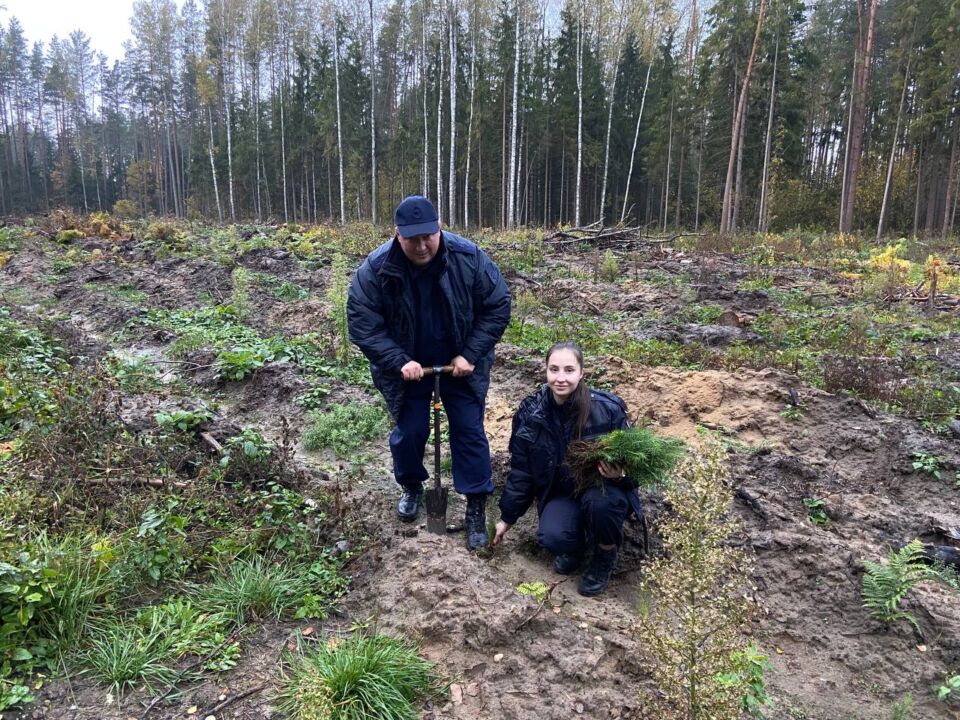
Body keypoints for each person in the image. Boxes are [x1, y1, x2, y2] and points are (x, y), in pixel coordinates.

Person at [347, 195, 511, 550]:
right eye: (412, 239)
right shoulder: (375, 270)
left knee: (469, 431)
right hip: (408, 368)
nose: (422, 246)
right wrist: (397, 360)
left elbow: (498, 305)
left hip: (461, 365)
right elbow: (362, 324)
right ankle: (411, 485)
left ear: (439, 228)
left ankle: (475, 504)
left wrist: (469, 354)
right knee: (410, 432)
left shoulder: (468, 258)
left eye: (428, 236)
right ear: (397, 234)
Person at [492, 341, 642, 596]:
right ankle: (576, 546)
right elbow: (522, 471)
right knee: (552, 537)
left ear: (582, 373)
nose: (561, 378)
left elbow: (639, 464)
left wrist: (622, 474)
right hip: (562, 492)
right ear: (546, 371)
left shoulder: (607, 409)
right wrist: (507, 517)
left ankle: (604, 554)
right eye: (554, 369)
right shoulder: (531, 413)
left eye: (569, 370)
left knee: (601, 506)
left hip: (602, 490)